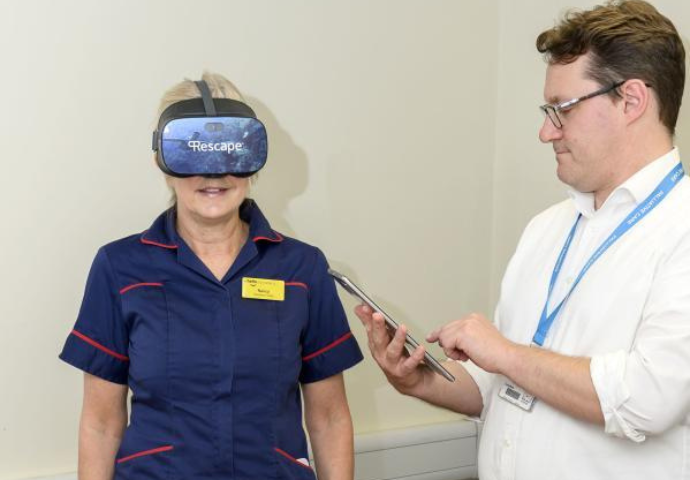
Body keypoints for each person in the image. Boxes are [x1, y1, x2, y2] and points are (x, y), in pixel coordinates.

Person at [356, 1, 688, 478]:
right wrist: (423, 381)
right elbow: (504, 386)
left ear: (632, 101)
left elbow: (648, 400)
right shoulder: (548, 228)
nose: (545, 131)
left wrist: (507, 353)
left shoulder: (681, 230)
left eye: (562, 110)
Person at [59, 72, 363, 480]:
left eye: (230, 153)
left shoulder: (302, 270)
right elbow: (100, 424)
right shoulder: (119, 268)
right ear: (162, 159)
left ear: (254, 157)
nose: (214, 174)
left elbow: (329, 419)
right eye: (193, 153)